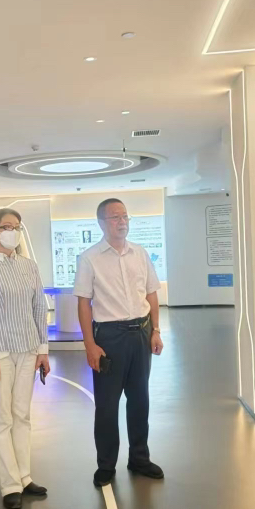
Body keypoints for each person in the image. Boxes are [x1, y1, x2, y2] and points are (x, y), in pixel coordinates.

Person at [74, 198, 165, 488]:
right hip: (109, 338)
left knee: (140, 400)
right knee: (107, 405)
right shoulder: (89, 258)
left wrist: (156, 330)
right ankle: (106, 464)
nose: (122, 221)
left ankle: (139, 458)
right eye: (115, 217)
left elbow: (151, 293)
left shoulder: (140, 253)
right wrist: (90, 344)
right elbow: (84, 303)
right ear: (101, 223)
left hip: (141, 333)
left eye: (125, 216)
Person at [0, 209, 50, 509]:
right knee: (3, 419)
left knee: (22, 415)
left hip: (28, 350)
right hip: (0, 353)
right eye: (6, 227)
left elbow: (39, 309)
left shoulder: (29, 266)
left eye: (17, 227)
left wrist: (42, 350)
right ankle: (10, 484)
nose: (12, 232)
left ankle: (25, 476)